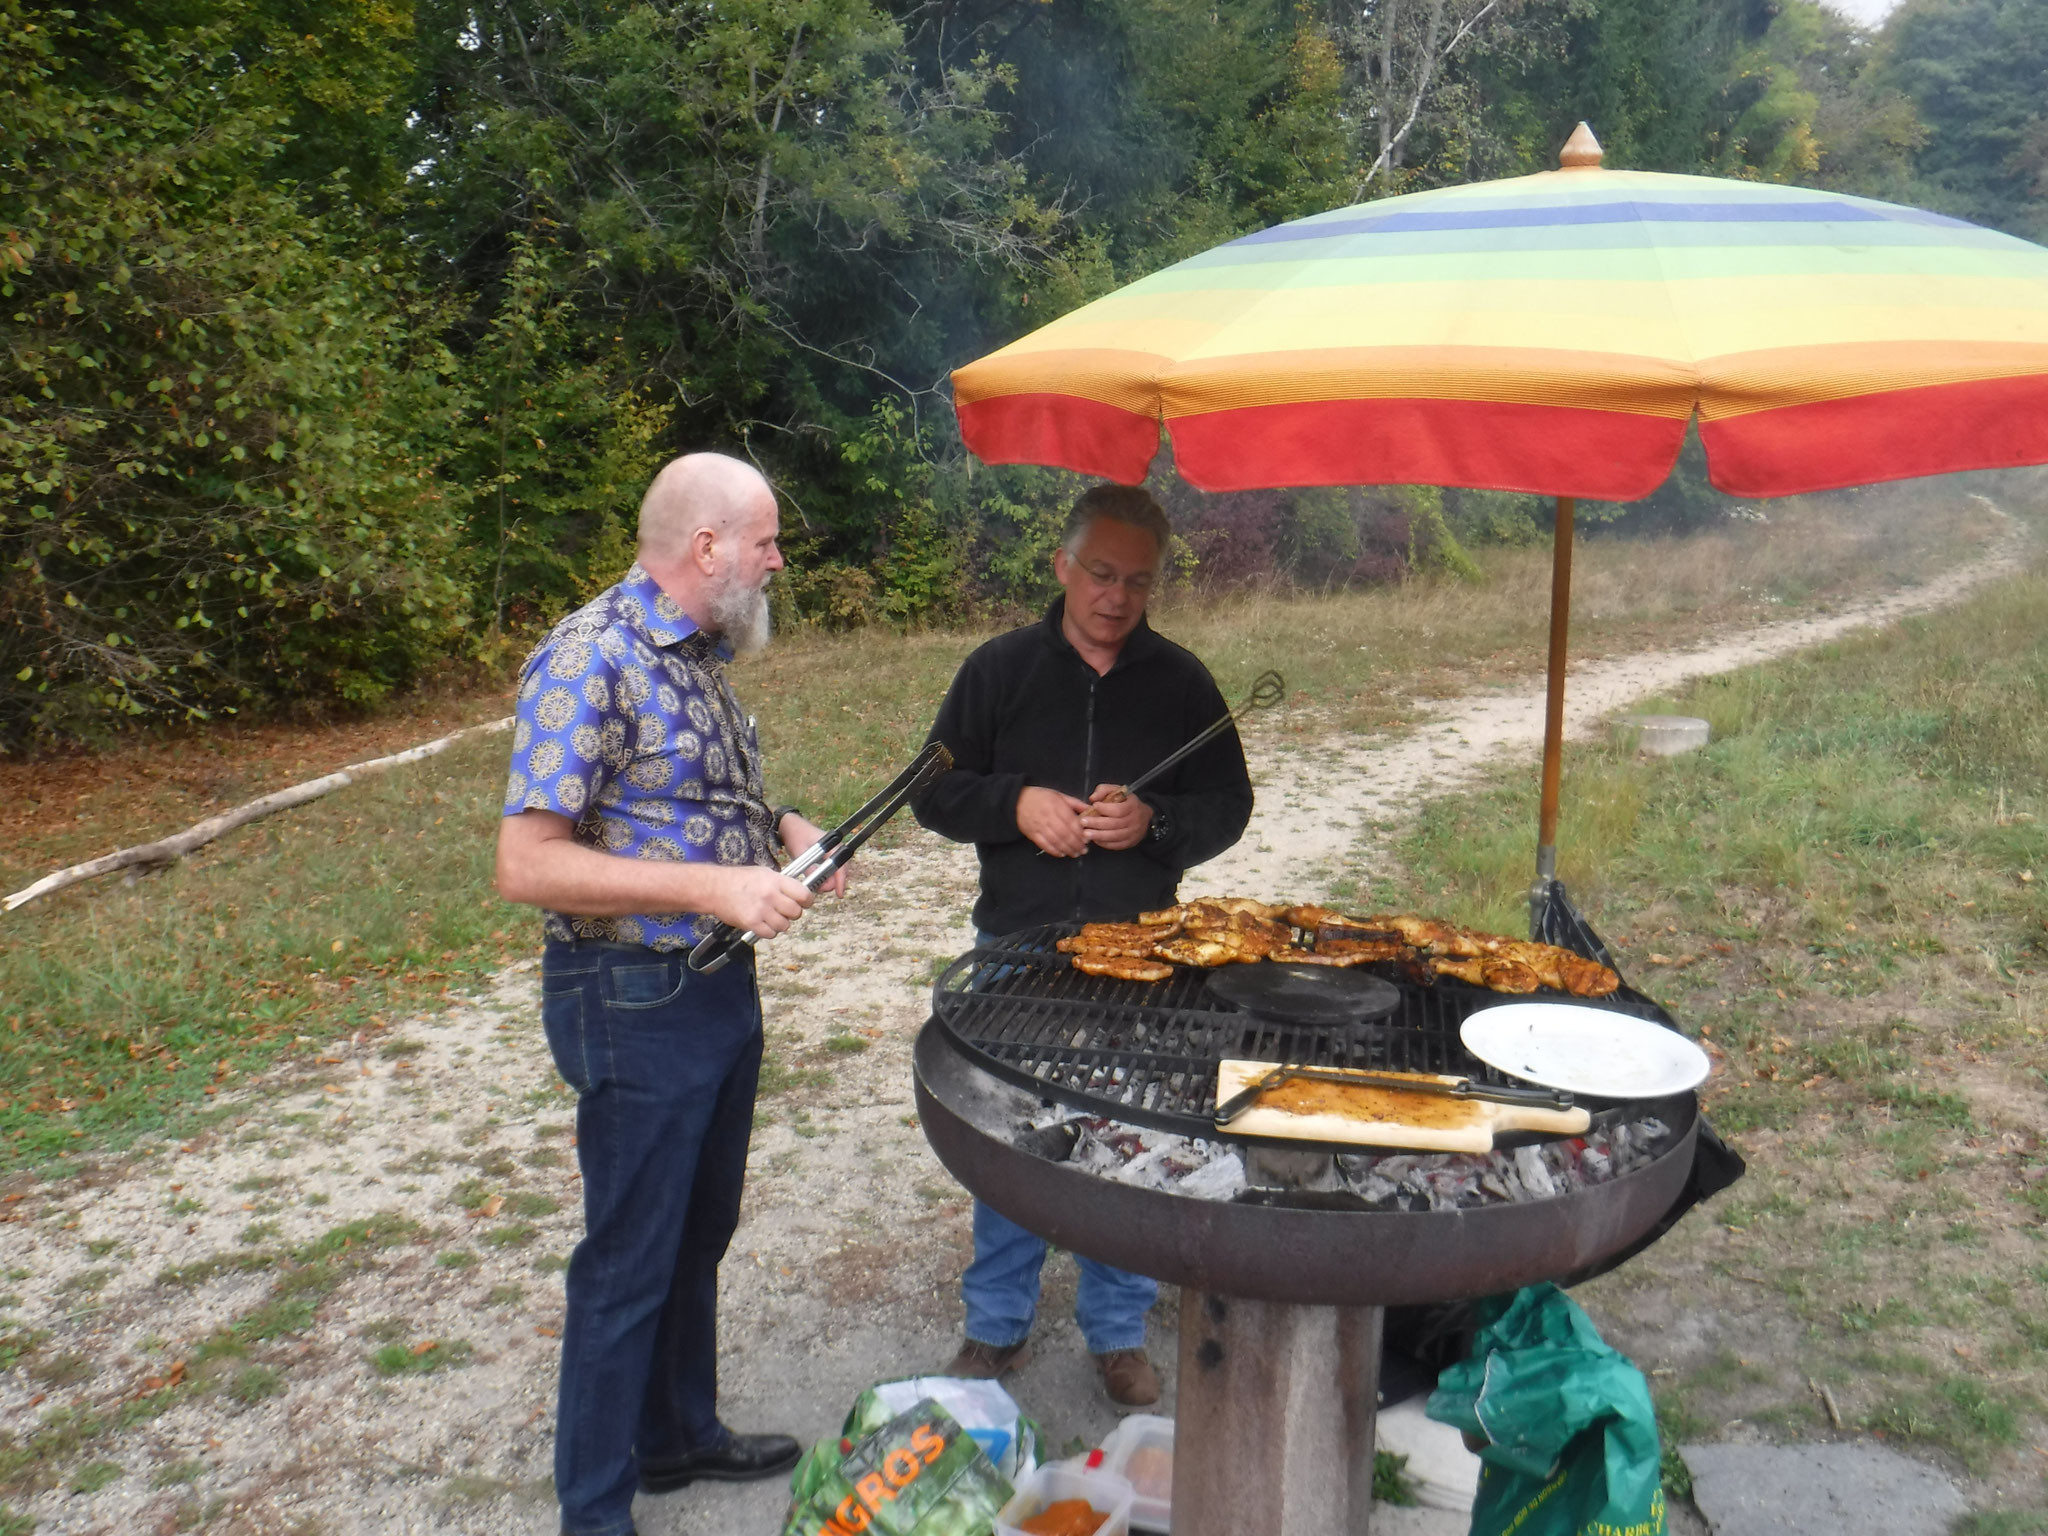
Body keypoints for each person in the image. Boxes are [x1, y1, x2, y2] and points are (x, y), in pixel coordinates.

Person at [496, 452, 844, 1536]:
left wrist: (781, 828)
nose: (777, 561)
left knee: (697, 1232)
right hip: (630, 992)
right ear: (707, 547)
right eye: (766, 541)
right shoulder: (589, 656)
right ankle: (595, 1515)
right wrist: (712, 887)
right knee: (629, 1261)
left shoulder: (696, 658)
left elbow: (681, 800)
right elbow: (527, 863)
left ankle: (676, 1435)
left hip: (713, 985)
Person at [912, 483, 1254, 1409]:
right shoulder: (998, 671)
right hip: (1017, 945)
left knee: (1126, 1136)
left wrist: (1153, 823)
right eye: (1101, 573)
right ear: (1062, 566)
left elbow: (1230, 805)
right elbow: (931, 792)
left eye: (1138, 581)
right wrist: (1015, 802)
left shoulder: (1181, 683)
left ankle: (1117, 1331)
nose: (1117, 596)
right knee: (1012, 1134)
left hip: (1139, 951)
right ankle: (996, 1327)